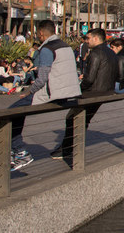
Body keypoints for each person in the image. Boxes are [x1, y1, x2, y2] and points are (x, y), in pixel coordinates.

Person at [8, 20, 82, 170]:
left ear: (41, 33)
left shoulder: (47, 49)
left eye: (37, 34)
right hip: (69, 92)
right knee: (16, 112)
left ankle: (19, 151)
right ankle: (12, 151)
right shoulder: (65, 46)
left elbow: (42, 79)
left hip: (52, 92)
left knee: (11, 112)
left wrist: (28, 92)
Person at [52, 28, 117, 161]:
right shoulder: (111, 52)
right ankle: (68, 147)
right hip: (106, 90)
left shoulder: (96, 53)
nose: (86, 41)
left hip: (93, 92)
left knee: (72, 118)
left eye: (88, 38)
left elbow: (89, 78)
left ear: (96, 38)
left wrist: (79, 90)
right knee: (82, 119)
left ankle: (67, 149)